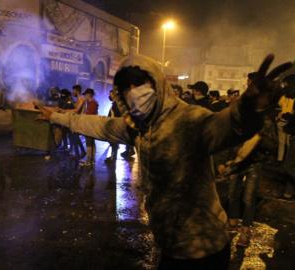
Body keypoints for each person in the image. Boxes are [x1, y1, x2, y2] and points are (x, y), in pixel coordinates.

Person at [37, 54, 291, 269]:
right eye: (127, 87)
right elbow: (100, 125)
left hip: (204, 248)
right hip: (170, 244)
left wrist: (249, 107)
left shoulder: (189, 119)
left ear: (157, 84)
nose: (134, 93)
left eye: (140, 84)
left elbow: (226, 126)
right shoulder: (137, 127)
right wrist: (58, 117)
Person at [226, 109, 278, 247]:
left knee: (248, 197)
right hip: (236, 161)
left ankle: (245, 230)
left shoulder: (265, 121)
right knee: (232, 194)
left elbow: (272, 145)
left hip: (254, 163)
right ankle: (232, 223)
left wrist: (259, 138)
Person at [81, 88, 98, 166]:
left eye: (85, 95)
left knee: (89, 143)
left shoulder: (93, 103)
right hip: (91, 124)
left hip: (90, 125)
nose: (84, 96)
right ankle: (92, 160)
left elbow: (88, 115)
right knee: (91, 142)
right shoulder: (89, 102)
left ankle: (88, 160)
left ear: (89, 95)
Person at [105, 89, 122, 163]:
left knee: (113, 142)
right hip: (114, 125)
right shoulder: (114, 104)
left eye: (111, 94)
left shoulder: (116, 104)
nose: (109, 96)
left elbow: (115, 116)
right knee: (113, 143)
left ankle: (113, 158)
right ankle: (113, 157)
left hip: (114, 126)